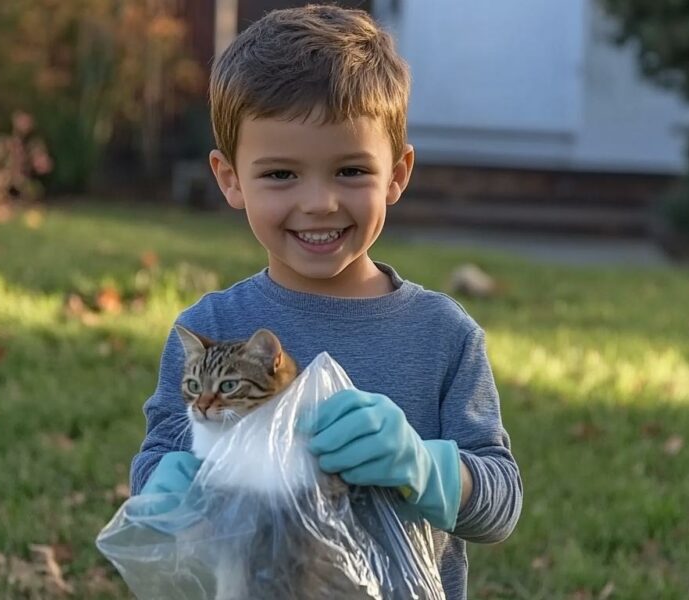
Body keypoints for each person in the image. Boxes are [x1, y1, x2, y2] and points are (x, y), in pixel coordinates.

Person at [130, 5, 522, 597]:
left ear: (397, 173)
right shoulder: (212, 327)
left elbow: (500, 504)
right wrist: (166, 486)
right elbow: (158, 456)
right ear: (230, 178)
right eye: (281, 175)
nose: (319, 203)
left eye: (350, 170)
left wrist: (422, 465)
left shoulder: (440, 334)